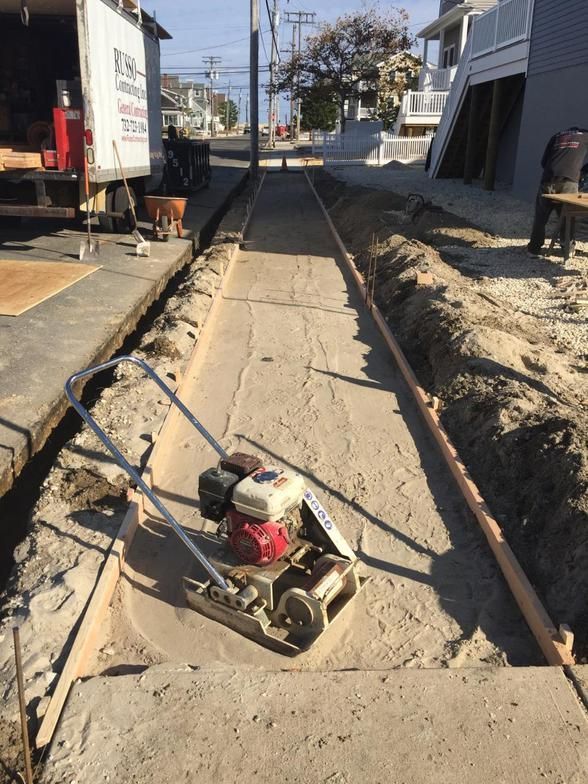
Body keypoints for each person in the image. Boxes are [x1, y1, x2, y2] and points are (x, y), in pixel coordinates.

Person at [527, 127, 588, 256]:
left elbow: (544, 162)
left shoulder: (557, 136)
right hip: (569, 181)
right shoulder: (585, 136)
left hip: (548, 180)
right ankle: (567, 249)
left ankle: (534, 249)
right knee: (567, 216)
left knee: (541, 217)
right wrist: (583, 171)